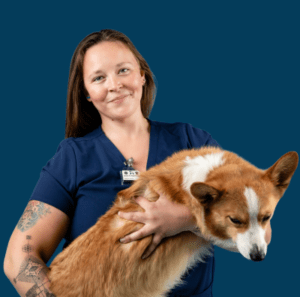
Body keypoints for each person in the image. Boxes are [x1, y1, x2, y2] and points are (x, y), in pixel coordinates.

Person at [4, 29, 271, 297]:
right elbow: (19, 259)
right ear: (86, 93)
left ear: (142, 75)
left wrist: (183, 220)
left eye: (123, 70)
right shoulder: (72, 158)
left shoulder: (193, 142)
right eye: (99, 77)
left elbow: (261, 234)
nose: (114, 85)